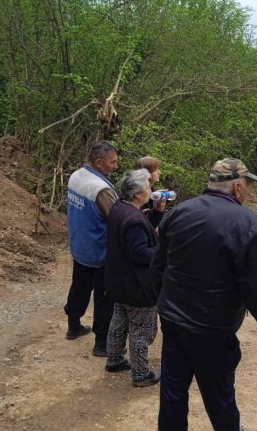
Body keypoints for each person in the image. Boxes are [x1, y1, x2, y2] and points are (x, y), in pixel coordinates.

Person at [151, 158, 257, 431]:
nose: (247, 192)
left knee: (172, 392)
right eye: (248, 186)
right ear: (238, 188)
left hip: (174, 323)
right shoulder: (249, 223)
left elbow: (157, 267)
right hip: (212, 331)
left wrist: (164, 304)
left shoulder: (180, 212)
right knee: (220, 399)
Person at [104, 169, 160, 387]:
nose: (151, 189)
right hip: (137, 285)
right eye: (147, 187)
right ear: (137, 193)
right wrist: (164, 252)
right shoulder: (133, 219)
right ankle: (141, 373)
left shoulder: (119, 208)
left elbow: (140, 236)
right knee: (141, 332)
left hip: (118, 281)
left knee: (118, 323)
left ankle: (114, 359)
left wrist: (158, 212)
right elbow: (140, 253)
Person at [64, 140, 119, 357]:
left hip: (80, 244)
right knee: (104, 297)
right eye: (112, 162)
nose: (115, 166)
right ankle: (102, 342)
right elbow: (118, 218)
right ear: (98, 162)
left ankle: (73, 324)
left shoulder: (76, 175)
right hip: (99, 250)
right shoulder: (101, 189)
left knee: (79, 286)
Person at [136, 156, 166, 228]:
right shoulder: (138, 195)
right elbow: (146, 224)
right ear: (146, 173)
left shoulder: (151, 189)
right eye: (156, 170)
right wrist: (158, 209)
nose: (159, 172)